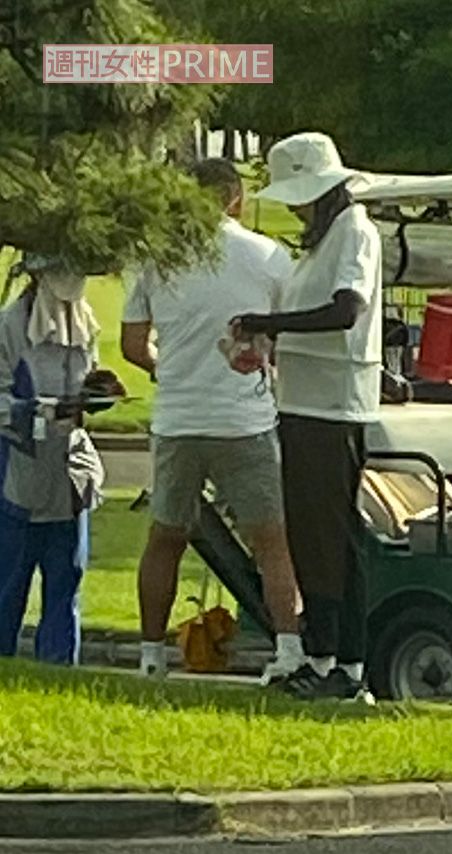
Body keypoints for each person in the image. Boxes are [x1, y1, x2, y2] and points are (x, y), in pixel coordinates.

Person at [121, 158, 304, 682]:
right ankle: (288, 648)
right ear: (233, 197)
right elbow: (287, 334)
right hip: (245, 419)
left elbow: (135, 344)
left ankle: (152, 654)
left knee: (165, 538)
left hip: (179, 417)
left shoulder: (159, 256)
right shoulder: (269, 255)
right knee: (271, 540)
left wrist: (166, 367)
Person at [231, 132, 382, 701]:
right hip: (305, 402)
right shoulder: (326, 240)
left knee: (334, 536)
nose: (295, 207)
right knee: (312, 536)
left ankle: (349, 664)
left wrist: (270, 327)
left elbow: (346, 311)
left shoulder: (355, 232)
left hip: (333, 406)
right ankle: (322, 658)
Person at [0, 255, 120, 664]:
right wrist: (34, 410)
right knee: (8, 580)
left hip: (68, 470)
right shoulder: (10, 326)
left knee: (66, 578)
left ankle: (59, 666)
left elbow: (87, 379)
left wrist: (95, 395)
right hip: (19, 465)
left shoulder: (84, 322)